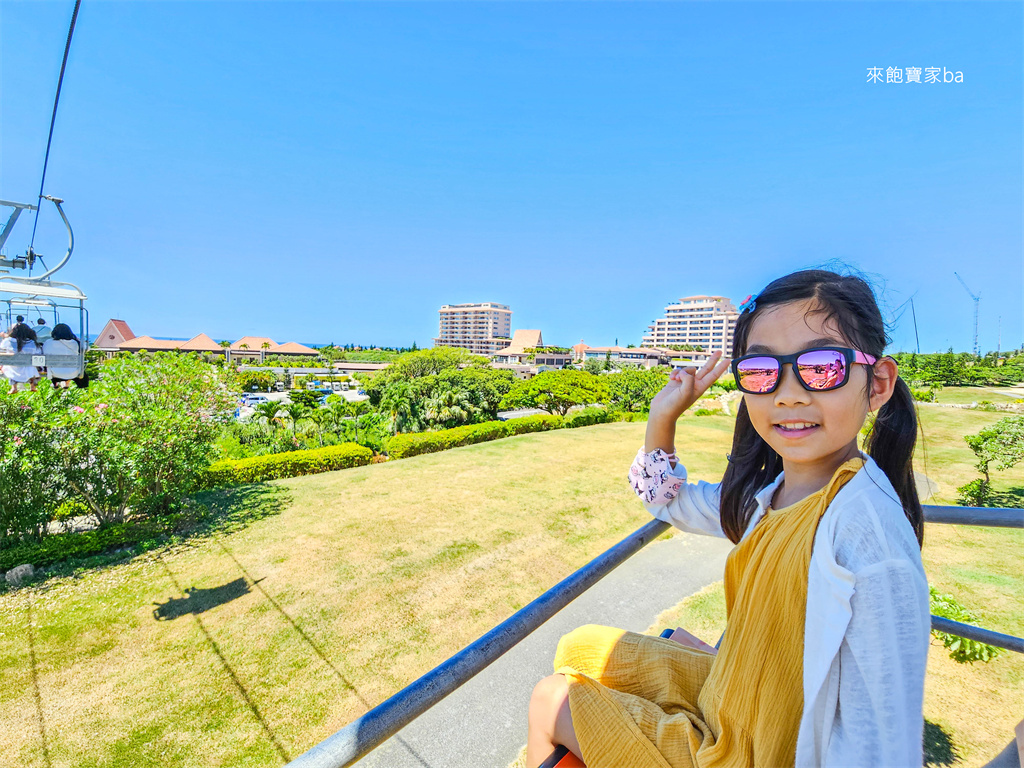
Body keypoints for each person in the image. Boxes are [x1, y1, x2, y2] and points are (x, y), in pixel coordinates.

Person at [526, 269, 930, 768]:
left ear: (879, 383)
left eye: (822, 367)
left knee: (550, 699)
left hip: (747, 750)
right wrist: (665, 416)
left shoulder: (865, 530)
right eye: (762, 371)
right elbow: (665, 499)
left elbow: (883, 742)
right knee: (579, 645)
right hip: (734, 692)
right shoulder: (770, 498)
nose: (788, 394)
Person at [1, 322, 42, 392]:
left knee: (9, 367)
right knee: (32, 368)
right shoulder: (32, 342)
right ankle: (32, 386)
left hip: (13, 369)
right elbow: (38, 353)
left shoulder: (8, 341)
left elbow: (2, 349)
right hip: (28, 370)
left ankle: (14, 387)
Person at [43, 323, 85, 388]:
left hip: (54, 372)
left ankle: (57, 383)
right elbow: (85, 348)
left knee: (54, 366)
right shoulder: (75, 343)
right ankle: (67, 382)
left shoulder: (48, 342)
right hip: (73, 372)